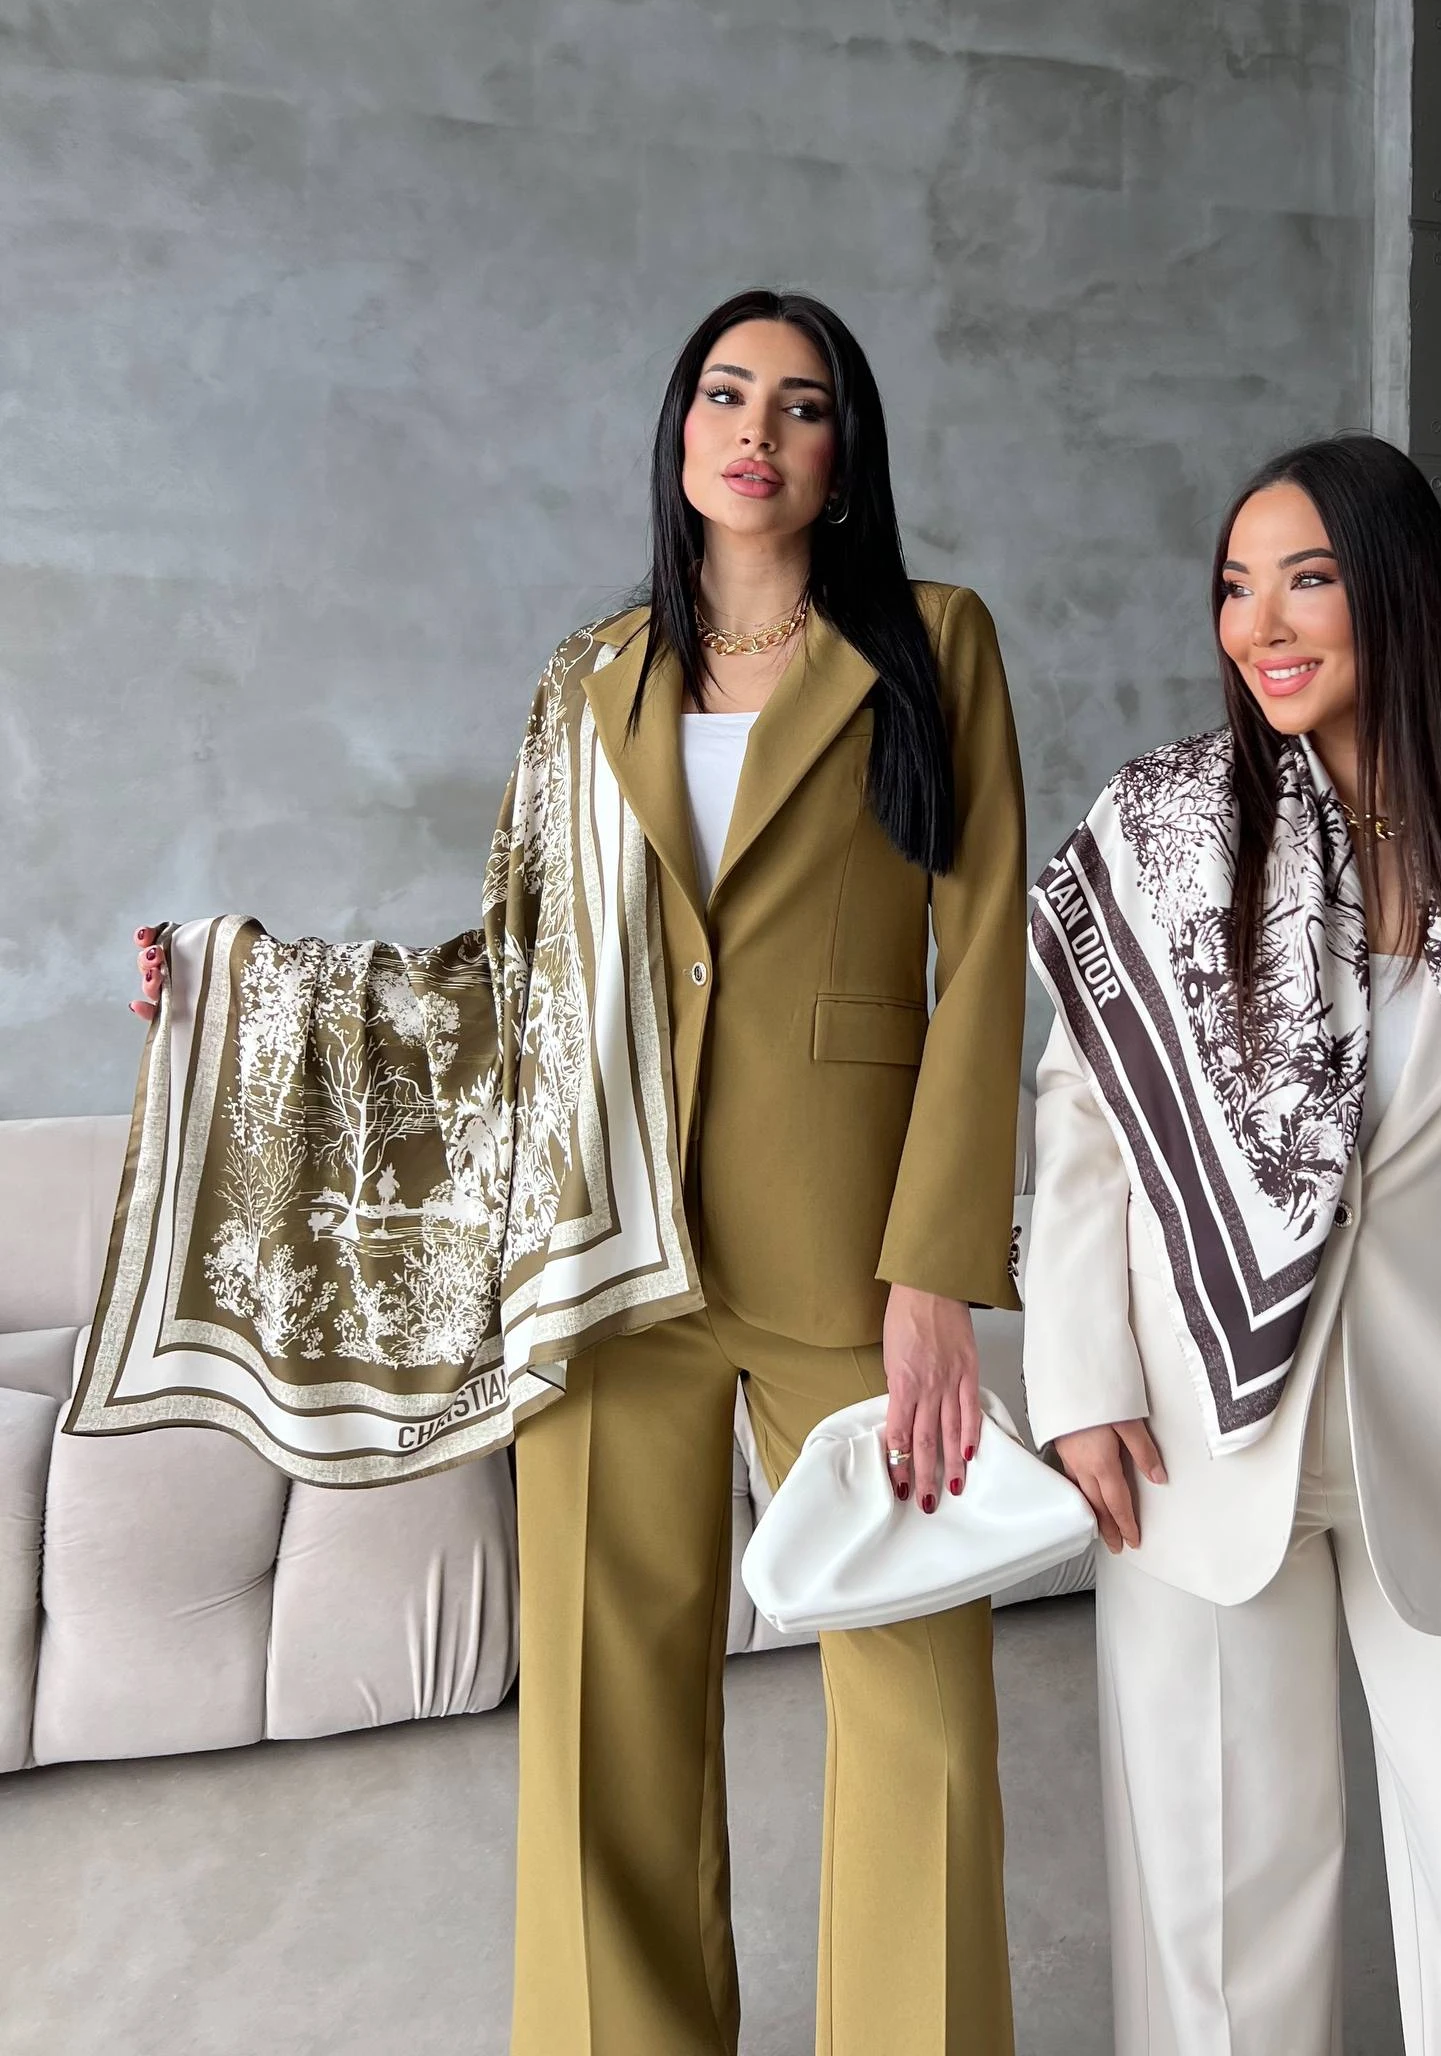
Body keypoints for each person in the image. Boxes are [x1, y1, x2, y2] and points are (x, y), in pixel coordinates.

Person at [125, 289, 1027, 2056]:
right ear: (680, 433)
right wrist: (239, 989)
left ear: (845, 456)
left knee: (920, 1711)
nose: (756, 428)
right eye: (725, 393)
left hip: (851, 1254)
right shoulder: (586, 680)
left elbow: (986, 949)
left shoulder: (934, 642)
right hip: (604, 1255)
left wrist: (936, 1269)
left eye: (801, 404)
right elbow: (512, 974)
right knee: (608, 1727)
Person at [1021, 433, 1441, 2056]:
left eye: (1308, 580)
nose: (1259, 623)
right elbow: (1082, 1122)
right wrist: (1078, 1380)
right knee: (1215, 1950)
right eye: (1234, 586)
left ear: (1402, 593)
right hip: (1192, 1449)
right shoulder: (1164, 829)